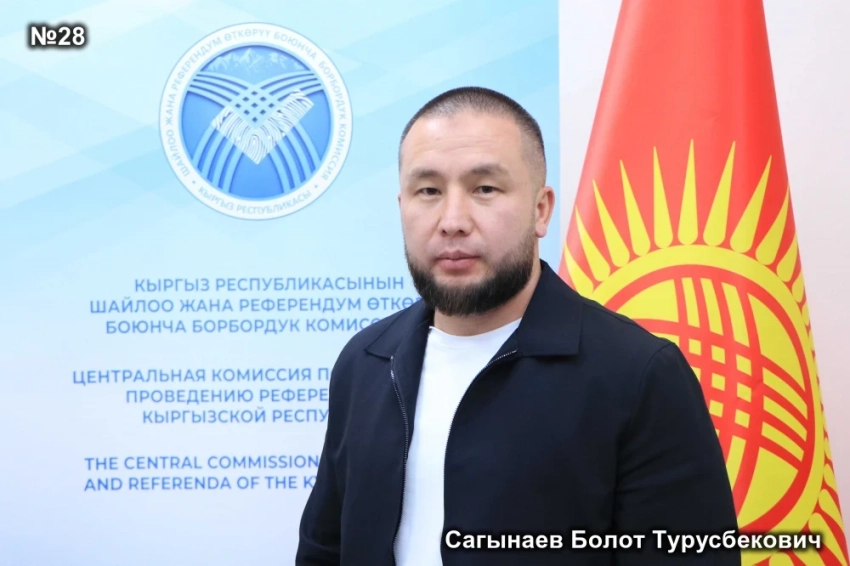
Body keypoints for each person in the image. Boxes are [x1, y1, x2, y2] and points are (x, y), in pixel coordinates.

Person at [295, 86, 740, 565]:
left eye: (485, 189)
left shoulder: (638, 375)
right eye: (429, 191)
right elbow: (324, 549)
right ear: (402, 204)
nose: (452, 220)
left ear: (540, 209)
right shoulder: (366, 361)